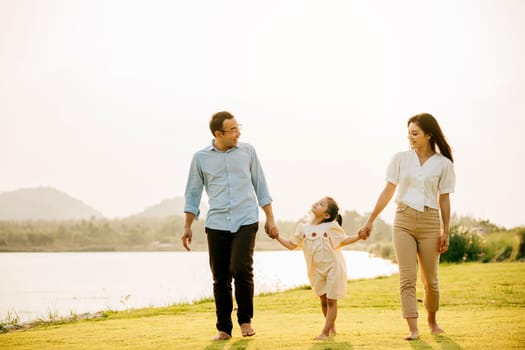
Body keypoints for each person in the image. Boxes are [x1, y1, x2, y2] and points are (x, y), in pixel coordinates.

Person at [182, 111, 279, 341]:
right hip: (216, 223)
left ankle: (245, 321)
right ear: (218, 133)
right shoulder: (200, 158)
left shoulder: (248, 151)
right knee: (221, 277)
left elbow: (261, 186)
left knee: (241, 269)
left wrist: (270, 218)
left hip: (246, 219)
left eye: (238, 127)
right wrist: (187, 226)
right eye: (232, 130)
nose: (238, 133)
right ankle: (224, 328)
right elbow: (193, 194)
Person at [358, 113, 455, 340]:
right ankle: (413, 328)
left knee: (430, 280)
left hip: (431, 222)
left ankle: (432, 321)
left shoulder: (444, 164)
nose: (410, 137)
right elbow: (388, 191)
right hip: (403, 221)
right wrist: (370, 219)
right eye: (408, 133)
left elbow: (444, 198)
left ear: (429, 135)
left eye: (415, 133)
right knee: (407, 277)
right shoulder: (400, 159)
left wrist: (446, 231)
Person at [273, 196, 362, 340]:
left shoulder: (331, 226)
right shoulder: (303, 228)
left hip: (333, 267)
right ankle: (331, 328)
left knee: (332, 301)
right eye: (318, 201)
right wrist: (276, 236)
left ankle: (325, 333)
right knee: (323, 300)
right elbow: (291, 245)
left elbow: (344, 240)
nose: (317, 203)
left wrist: (359, 236)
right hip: (316, 270)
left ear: (326, 215)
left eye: (321, 204)